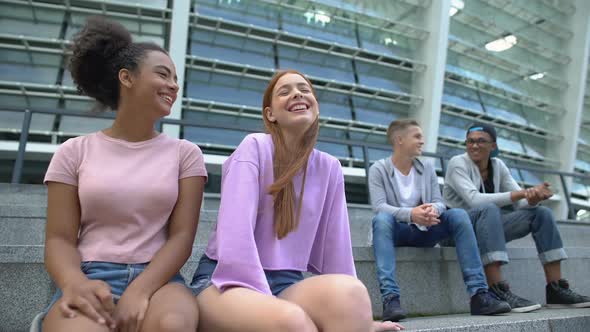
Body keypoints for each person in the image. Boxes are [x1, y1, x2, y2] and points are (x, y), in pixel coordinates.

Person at [189, 69, 404, 332]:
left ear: (315, 106)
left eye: (304, 89)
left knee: (351, 291)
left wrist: (360, 320)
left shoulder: (330, 167)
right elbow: (235, 236)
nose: (297, 94)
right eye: (285, 91)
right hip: (224, 280)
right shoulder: (254, 147)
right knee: (293, 322)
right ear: (270, 114)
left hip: (286, 283)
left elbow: (337, 250)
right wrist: (265, 301)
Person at [38, 16, 207, 332]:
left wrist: (140, 289)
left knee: (173, 325)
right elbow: (59, 239)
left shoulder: (186, 154)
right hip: (89, 277)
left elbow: (182, 237)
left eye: (176, 78)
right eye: (163, 74)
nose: (174, 85)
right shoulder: (73, 151)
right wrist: (74, 283)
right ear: (126, 78)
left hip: (160, 282)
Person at [369, 119, 510, 322]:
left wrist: (431, 210)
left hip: (426, 229)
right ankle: (390, 299)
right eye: (417, 136)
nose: (422, 141)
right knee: (381, 219)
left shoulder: (426, 168)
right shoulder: (378, 169)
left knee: (459, 215)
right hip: (396, 231)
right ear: (399, 140)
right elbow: (379, 206)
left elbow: (439, 201)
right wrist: (412, 214)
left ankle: (479, 295)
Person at [443, 122, 590, 312]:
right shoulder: (457, 163)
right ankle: (497, 290)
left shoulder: (498, 166)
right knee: (489, 209)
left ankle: (556, 289)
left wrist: (533, 198)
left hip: (485, 229)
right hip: (455, 234)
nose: (474, 145)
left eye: (481, 141)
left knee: (541, 213)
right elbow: (474, 201)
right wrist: (522, 193)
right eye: (470, 141)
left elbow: (521, 203)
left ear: (493, 146)